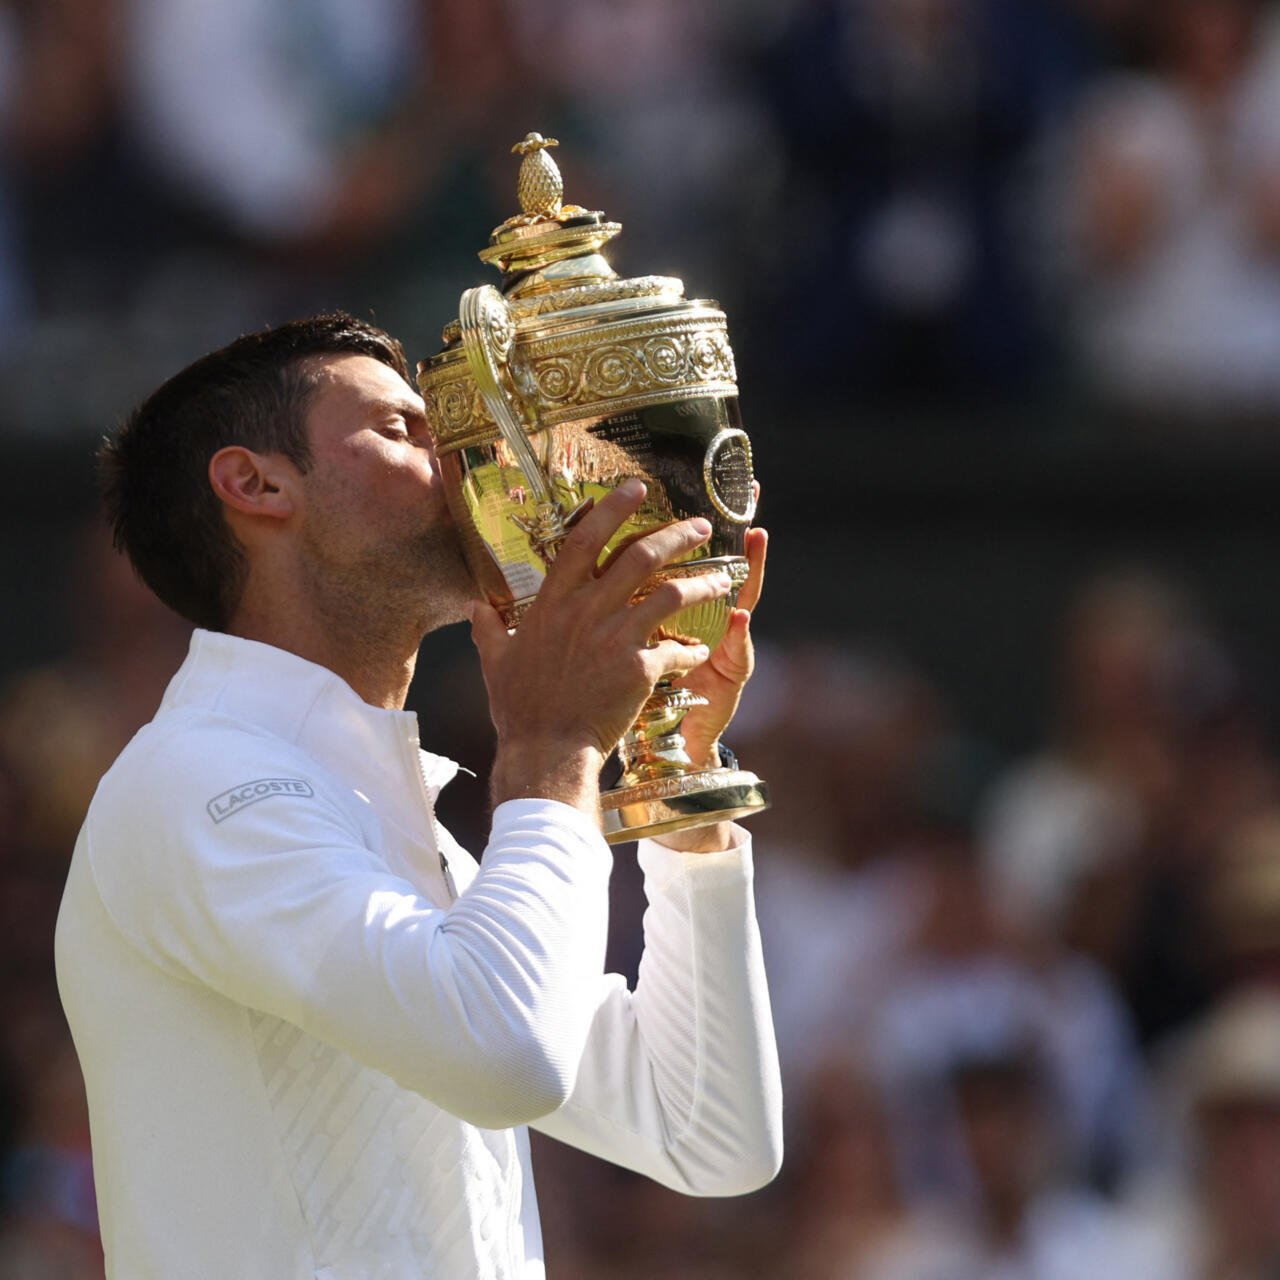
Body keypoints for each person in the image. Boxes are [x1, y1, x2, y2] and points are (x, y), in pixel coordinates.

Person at [53, 313, 782, 1278]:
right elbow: (505, 1054)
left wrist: (675, 769)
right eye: (406, 430)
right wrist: (553, 749)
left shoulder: (393, 828)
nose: (464, 463)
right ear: (256, 484)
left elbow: (707, 1133)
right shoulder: (195, 782)